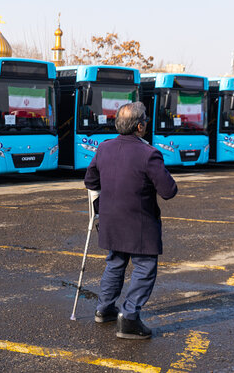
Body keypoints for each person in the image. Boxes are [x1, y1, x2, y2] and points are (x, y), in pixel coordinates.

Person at [84, 101, 177, 339]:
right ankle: (130, 317)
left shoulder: (104, 148)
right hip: (140, 223)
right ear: (139, 126)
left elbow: (91, 181)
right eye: (144, 121)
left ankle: (104, 310)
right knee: (144, 267)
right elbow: (168, 190)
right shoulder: (149, 154)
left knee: (115, 262)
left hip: (110, 219)